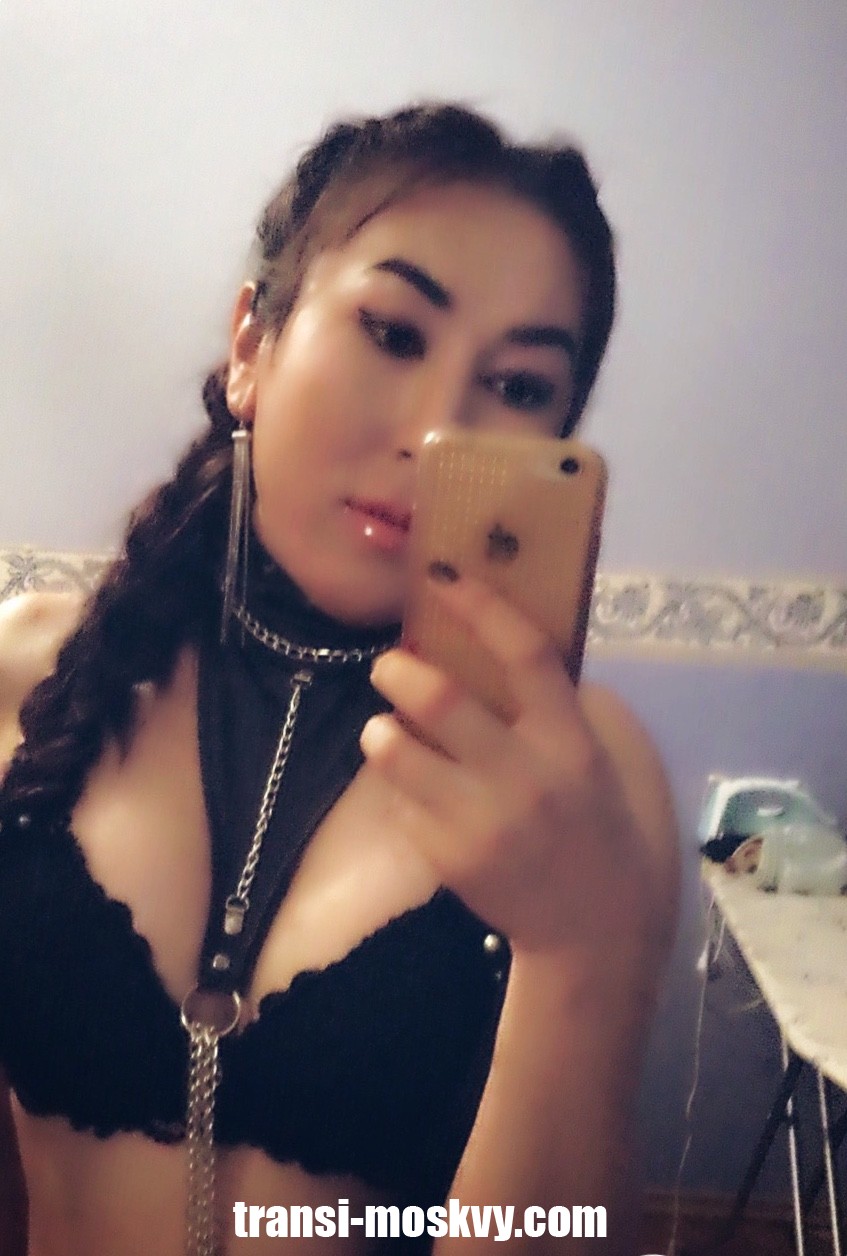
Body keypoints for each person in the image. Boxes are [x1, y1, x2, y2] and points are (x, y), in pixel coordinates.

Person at [0, 103, 678, 1255]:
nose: (433, 429)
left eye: (519, 386)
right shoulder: (32, 673)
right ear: (251, 347)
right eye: (393, 332)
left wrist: (583, 956)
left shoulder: (577, 781)